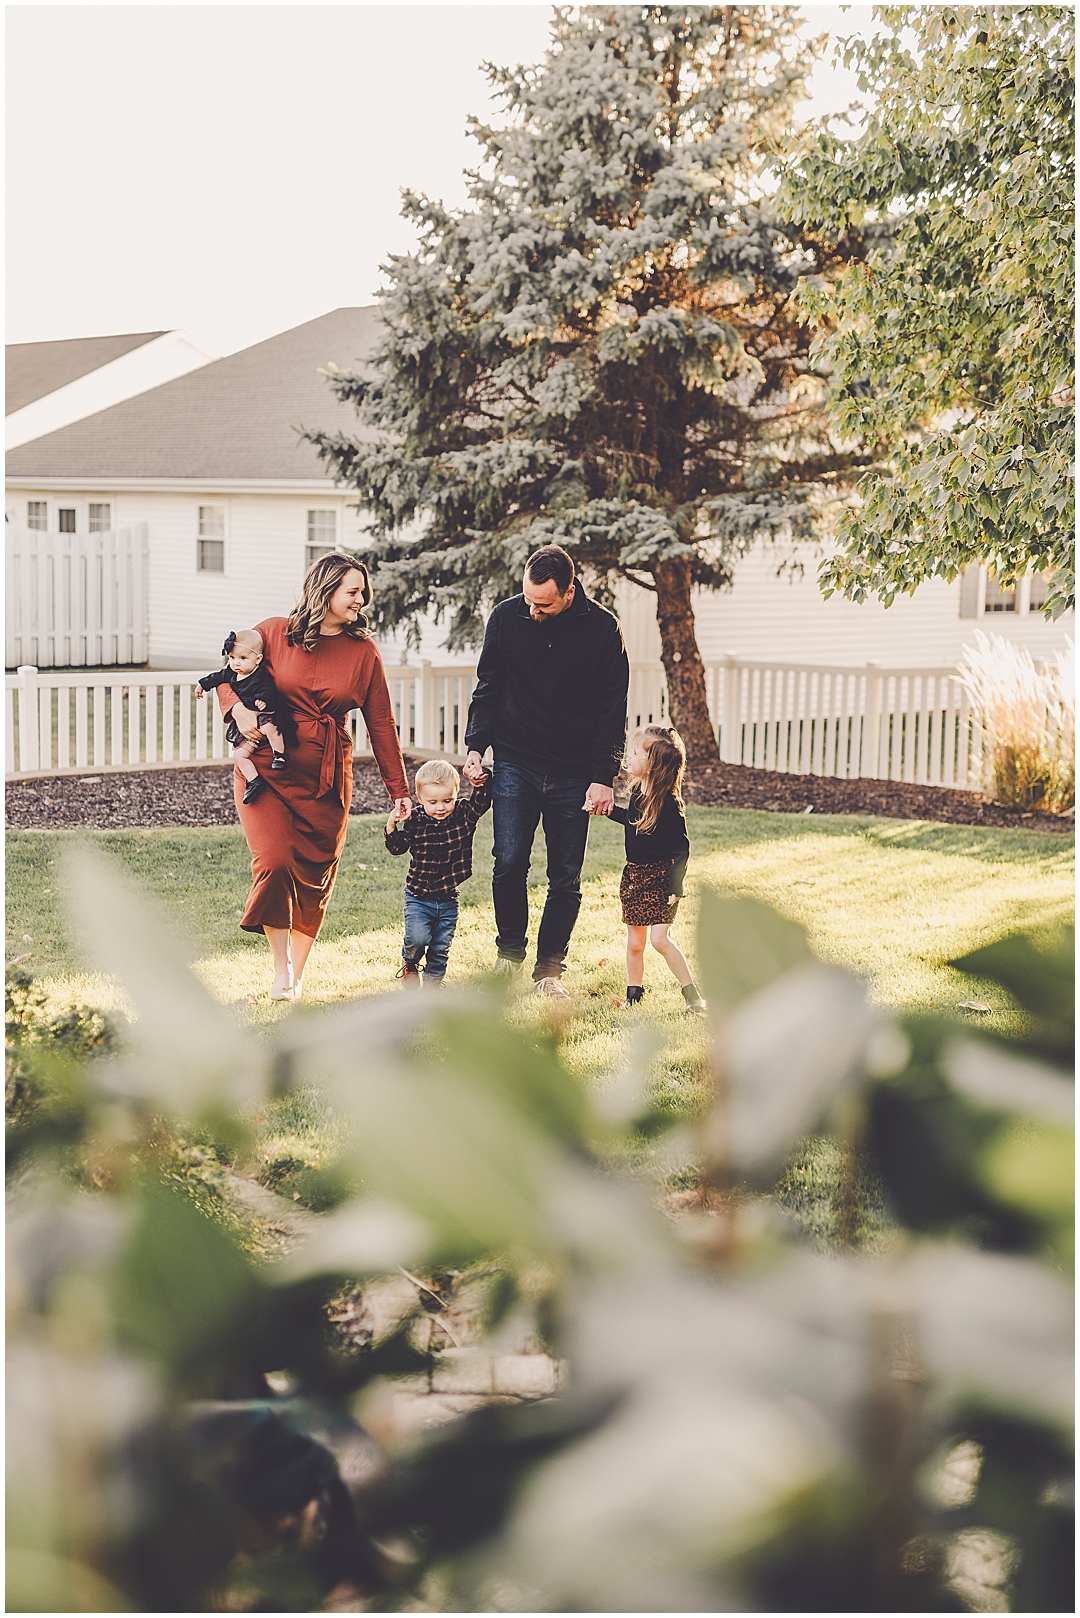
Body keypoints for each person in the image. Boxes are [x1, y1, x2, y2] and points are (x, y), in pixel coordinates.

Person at [215, 552, 410, 1002]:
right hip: (267, 768)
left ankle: (292, 976)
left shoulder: (363, 653)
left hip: (325, 774)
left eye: (363, 591)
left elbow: (381, 723)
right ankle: (280, 962)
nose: (362, 599)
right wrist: (237, 708)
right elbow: (229, 670)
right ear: (325, 590)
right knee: (274, 861)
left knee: (314, 875)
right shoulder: (272, 633)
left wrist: (398, 791)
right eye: (353, 591)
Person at [463, 544, 629, 998]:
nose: (532, 610)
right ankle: (509, 955)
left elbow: (611, 708)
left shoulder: (602, 629)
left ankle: (549, 972)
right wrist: (476, 747)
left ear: (570, 591)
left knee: (565, 876)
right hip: (516, 760)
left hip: (576, 772)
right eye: (528, 599)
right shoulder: (506, 617)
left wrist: (603, 776)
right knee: (508, 861)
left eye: (544, 603)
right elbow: (488, 686)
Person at [606, 725, 707, 1015]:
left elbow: (681, 849)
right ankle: (634, 994)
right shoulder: (639, 791)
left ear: (652, 766)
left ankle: (692, 996)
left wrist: (676, 887)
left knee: (660, 939)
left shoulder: (670, 805)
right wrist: (608, 810)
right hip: (635, 876)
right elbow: (633, 822)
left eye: (636, 753)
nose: (630, 757)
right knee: (636, 942)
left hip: (662, 880)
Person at [384, 758, 493, 986]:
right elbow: (397, 848)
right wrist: (391, 827)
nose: (441, 807)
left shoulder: (463, 814)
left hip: (448, 897)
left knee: (441, 946)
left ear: (456, 794)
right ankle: (410, 962)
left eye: (447, 800)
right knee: (417, 939)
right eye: (432, 802)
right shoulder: (416, 820)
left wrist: (481, 780)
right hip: (418, 895)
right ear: (420, 799)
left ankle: (433, 987)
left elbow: (481, 802)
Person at [196, 629, 297, 803]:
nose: (236, 663)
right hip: (246, 723)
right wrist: (202, 685)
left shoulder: (260, 675)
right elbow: (216, 677)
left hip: (264, 714)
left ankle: (279, 754)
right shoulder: (232, 673)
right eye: (232, 658)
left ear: (257, 659)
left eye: (243, 659)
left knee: (269, 728)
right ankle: (254, 781)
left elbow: (269, 690)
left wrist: (263, 700)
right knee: (239, 755)